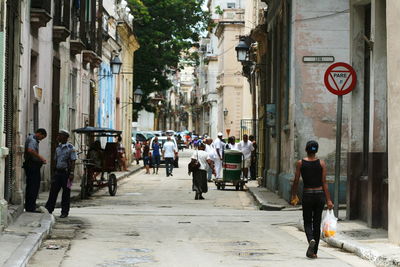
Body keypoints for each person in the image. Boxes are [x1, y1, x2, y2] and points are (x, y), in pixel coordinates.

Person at [291, 140, 334, 259]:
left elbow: (296, 180)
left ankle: (311, 239)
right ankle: (314, 252)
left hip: (308, 195)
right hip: (320, 195)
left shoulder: (300, 163)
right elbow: (324, 182)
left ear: (306, 149)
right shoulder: (322, 163)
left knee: (307, 221)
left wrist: (294, 195)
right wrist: (329, 200)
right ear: (317, 150)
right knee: (316, 222)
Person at [45, 130, 77, 218]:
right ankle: (49, 209)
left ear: (65, 137)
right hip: (58, 173)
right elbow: (55, 160)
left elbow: (73, 161)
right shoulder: (58, 148)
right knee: (53, 191)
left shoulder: (71, 148)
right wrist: (53, 172)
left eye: (60, 135)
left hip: (67, 174)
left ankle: (64, 212)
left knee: (66, 193)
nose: (58, 137)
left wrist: (71, 173)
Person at [23, 128, 47, 212]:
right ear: (39, 134)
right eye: (42, 137)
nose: (41, 139)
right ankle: (30, 207)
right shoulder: (33, 139)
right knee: (33, 186)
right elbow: (30, 150)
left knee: (31, 186)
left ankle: (30, 206)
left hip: (31, 165)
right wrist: (41, 158)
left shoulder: (31, 138)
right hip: (32, 165)